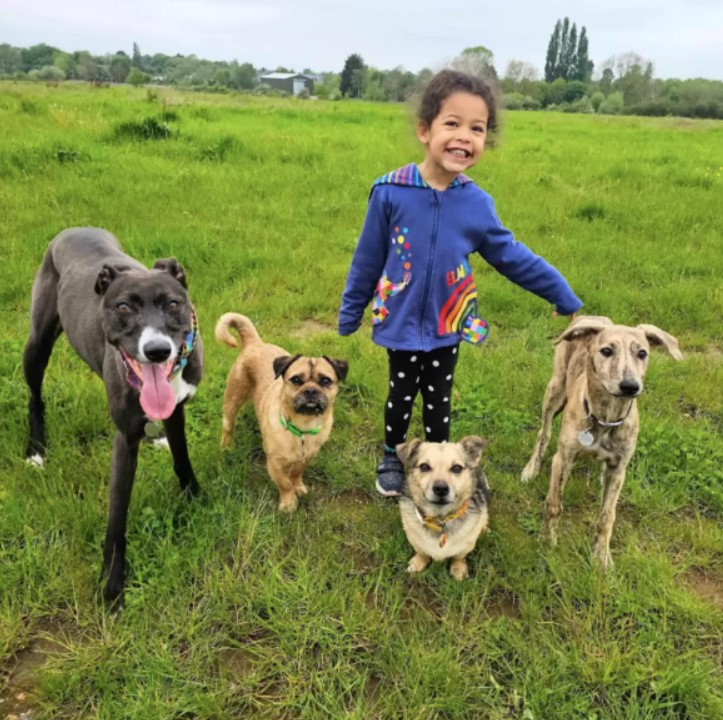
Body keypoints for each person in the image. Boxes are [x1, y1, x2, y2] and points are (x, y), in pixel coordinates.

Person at [337, 69, 582, 497]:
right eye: (452, 123)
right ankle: (394, 457)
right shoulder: (390, 191)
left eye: (477, 128)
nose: (463, 136)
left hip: (448, 321)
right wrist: (350, 309)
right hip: (398, 318)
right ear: (424, 130)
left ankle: (443, 466)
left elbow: (511, 255)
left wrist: (559, 290)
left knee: (438, 398)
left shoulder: (476, 203)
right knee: (400, 393)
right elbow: (367, 258)